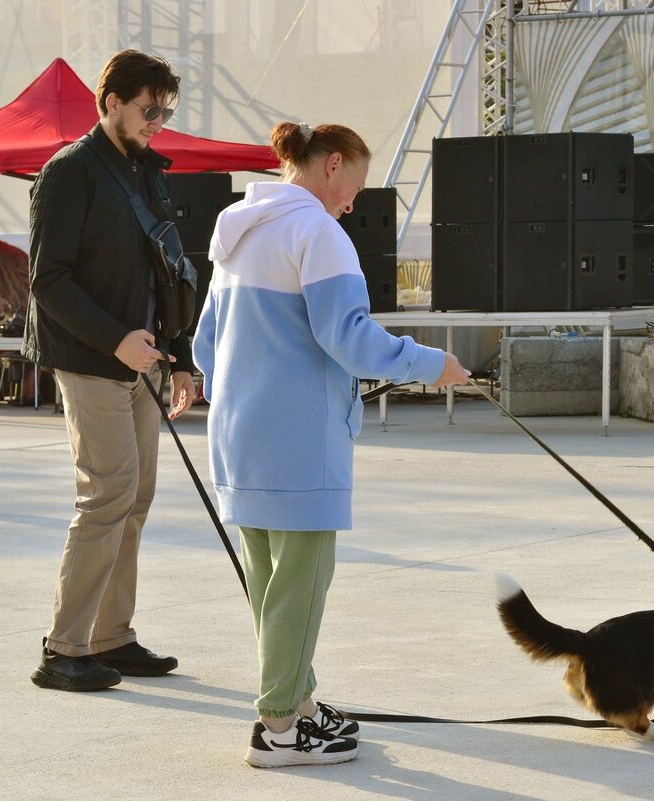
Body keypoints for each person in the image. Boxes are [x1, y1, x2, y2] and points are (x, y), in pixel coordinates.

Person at [192, 121, 470, 768]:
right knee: (304, 581)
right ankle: (280, 728)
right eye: (355, 187)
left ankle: (299, 701)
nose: (352, 203)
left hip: (238, 434)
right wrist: (435, 365)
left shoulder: (237, 226)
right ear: (332, 165)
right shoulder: (319, 233)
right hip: (299, 439)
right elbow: (350, 338)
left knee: (270, 584)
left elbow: (206, 342)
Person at [23, 50, 195, 692]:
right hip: (94, 360)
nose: (159, 120)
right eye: (150, 108)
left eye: (167, 109)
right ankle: (64, 647)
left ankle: (111, 637)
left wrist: (178, 355)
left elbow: (164, 271)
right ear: (112, 102)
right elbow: (49, 281)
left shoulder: (147, 170)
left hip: (147, 359)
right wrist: (117, 340)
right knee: (106, 497)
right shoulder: (69, 172)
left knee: (136, 498)